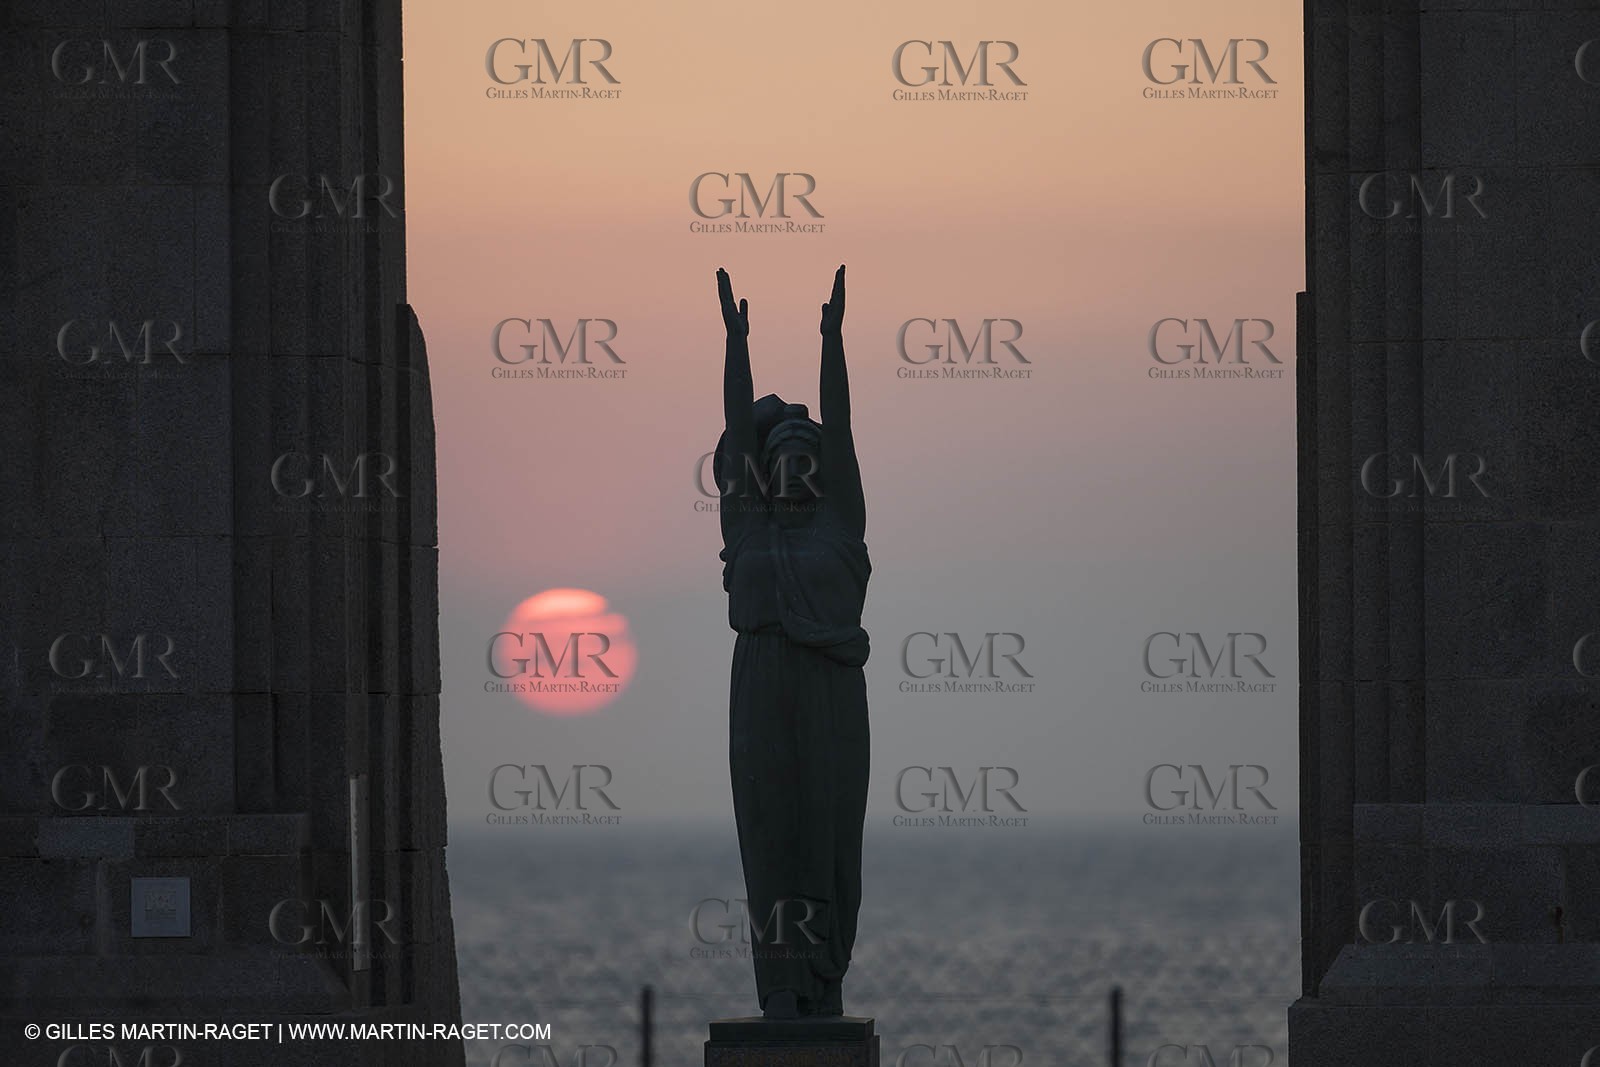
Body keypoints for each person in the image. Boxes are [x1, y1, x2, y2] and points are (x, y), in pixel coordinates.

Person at [714, 264, 871, 1019]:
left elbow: (839, 431)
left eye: (809, 463)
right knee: (772, 836)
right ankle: (778, 985)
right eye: (785, 462)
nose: (800, 472)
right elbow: (739, 434)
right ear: (765, 474)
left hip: (831, 693)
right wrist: (736, 345)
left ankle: (826, 980)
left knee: (829, 836)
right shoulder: (747, 527)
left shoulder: (841, 528)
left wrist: (831, 339)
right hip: (761, 688)